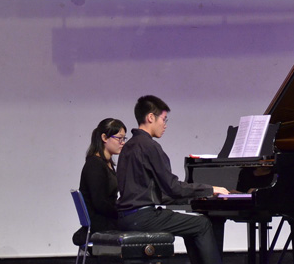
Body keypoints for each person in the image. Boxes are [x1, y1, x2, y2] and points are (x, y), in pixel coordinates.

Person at [116, 95, 229, 264]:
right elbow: (173, 188)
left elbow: (149, 191)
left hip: (126, 218)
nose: (165, 125)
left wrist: (193, 196)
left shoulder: (128, 146)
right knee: (202, 224)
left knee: (192, 226)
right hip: (143, 218)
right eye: (164, 119)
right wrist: (210, 189)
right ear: (150, 117)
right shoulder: (149, 146)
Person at [73, 118, 127, 245]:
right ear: (104, 138)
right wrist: (122, 212)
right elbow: (100, 203)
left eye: (124, 139)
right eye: (119, 138)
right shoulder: (95, 165)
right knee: (139, 224)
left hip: (106, 218)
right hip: (100, 222)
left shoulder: (107, 163)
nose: (123, 143)